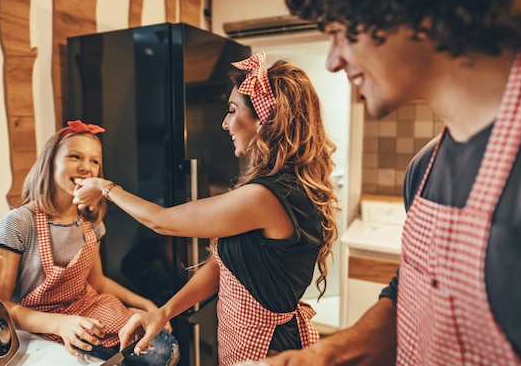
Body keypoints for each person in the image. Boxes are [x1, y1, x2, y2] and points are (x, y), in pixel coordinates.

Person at [235, 0, 521, 365]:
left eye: (340, 31)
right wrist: (324, 355)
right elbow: (413, 292)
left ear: (411, 2)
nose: (333, 60)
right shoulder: (425, 168)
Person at [72, 52, 340, 366]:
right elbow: (224, 266)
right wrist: (164, 312)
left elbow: (162, 221)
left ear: (264, 120)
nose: (225, 123)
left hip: (267, 350)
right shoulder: (276, 188)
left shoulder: (269, 196)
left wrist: (105, 188)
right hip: (244, 344)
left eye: (232, 110)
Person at [0, 120, 179, 366]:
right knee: (151, 357)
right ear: (50, 162)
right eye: (75, 156)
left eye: (94, 161)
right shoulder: (20, 223)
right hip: (40, 322)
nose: (86, 168)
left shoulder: (91, 224)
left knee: (161, 345)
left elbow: (97, 282)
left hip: (90, 307)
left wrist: (144, 303)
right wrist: (59, 323)